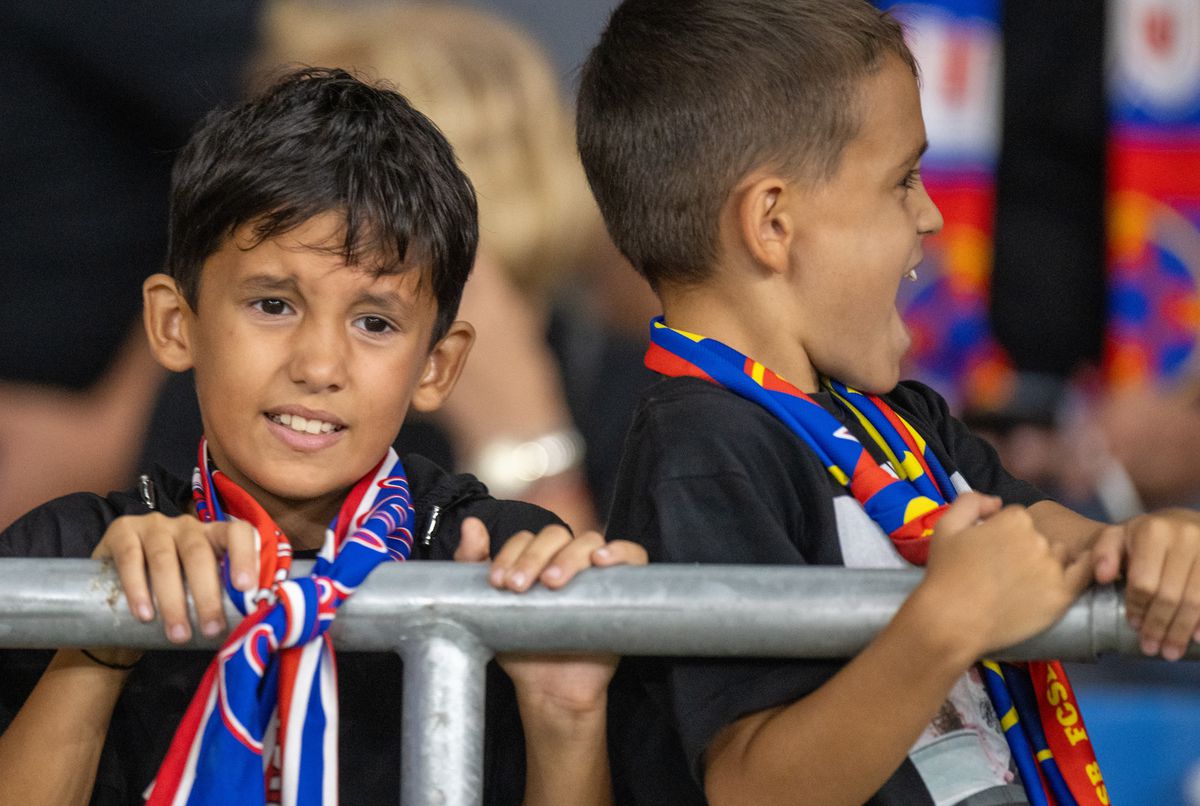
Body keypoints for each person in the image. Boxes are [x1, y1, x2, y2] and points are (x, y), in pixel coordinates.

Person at [575, 1, 1200, 804]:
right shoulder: (700, 451)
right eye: (902, 180)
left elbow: (1047, 542)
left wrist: (1153, 544)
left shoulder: (903, 420)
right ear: (773, 223)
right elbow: (751, 786)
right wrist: (944, 627)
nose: (932, 216)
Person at [0, 67, 642, 805]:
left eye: (375, 323)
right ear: (176, 325)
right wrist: (100, 631)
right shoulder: (70, 557)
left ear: (437, 365)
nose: (318, 366)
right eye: (273, 305)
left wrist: (565, 716)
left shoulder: (500, 564)